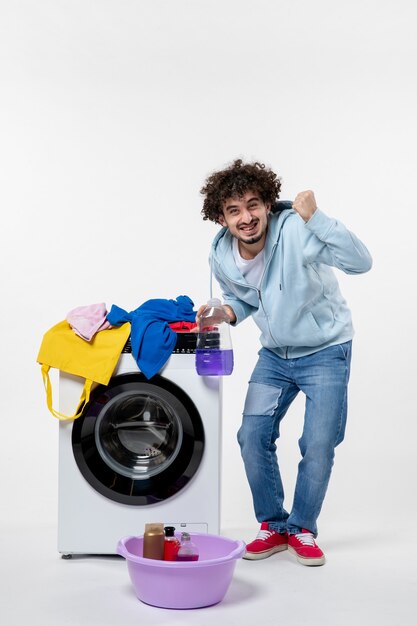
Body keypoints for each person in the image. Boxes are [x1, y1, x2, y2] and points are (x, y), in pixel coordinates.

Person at [198, 159, 372, 566]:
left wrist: (318, 218)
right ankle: (274, 525)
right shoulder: (220, 254)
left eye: (253, 205)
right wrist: (228, 312)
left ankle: (303, 528)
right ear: (220, 216)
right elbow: (247, 296)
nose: (246, 218)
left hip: (326, 351)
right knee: (251, 436)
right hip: (275, 356)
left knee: (318, 443)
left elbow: (361, 262)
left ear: (266, 204)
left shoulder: (296, 228)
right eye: (234, 210)